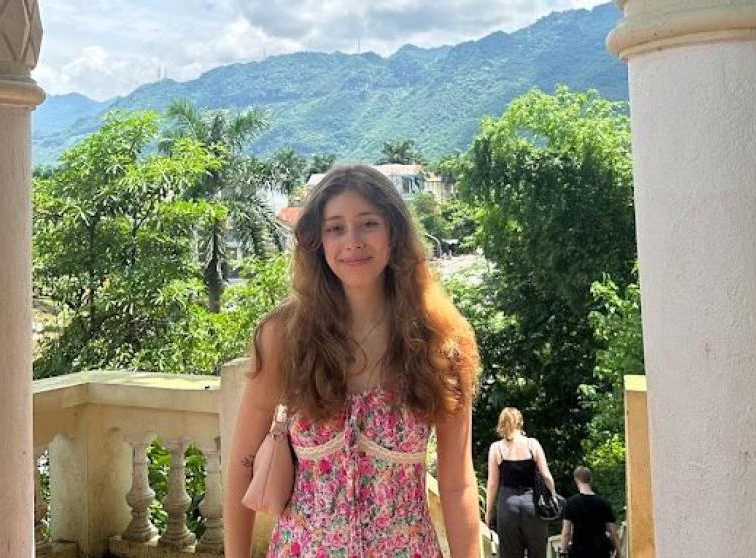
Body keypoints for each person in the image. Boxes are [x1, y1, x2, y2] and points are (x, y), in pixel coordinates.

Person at [223, 165, 482, 557]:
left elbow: (457, 484)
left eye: (368, 223)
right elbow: (242, 466)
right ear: (318, 241)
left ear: (394, 232)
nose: (352, 241)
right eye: (335, 228)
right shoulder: (285, 336)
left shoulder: (441, 340)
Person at [484, 407, 557, 558]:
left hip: (507, 506)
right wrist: (553, 496)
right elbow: (546, 475)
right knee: (538, 553)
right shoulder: (532, 444)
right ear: (521, 422)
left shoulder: (496, 448)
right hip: (533, 505)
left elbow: (492, 483)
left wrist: (489, 510)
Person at [558, 466, 621, 558]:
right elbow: (613, 532)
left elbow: (566, 532)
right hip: (601, 552)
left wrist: (563, 552)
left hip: (579, 552)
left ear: (576, 480)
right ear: (591, 480)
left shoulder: (571, 503)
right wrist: (619, 552)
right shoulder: (604, 502)